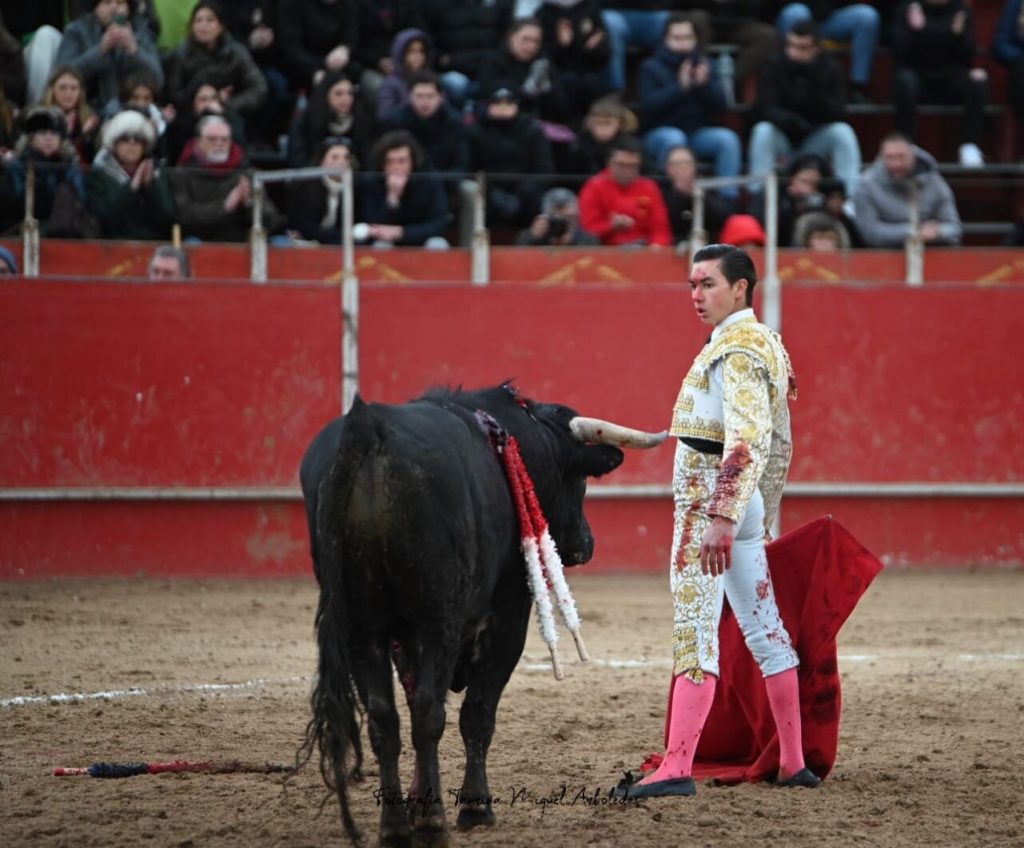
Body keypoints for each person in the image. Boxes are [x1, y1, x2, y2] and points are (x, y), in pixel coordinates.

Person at [613, 243, 819, 800]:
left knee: (695, 629)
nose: (696, 295)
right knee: (764, 626)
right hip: (736, 508)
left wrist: (723, 515)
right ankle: (793, 762)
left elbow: (748, 440)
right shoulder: (759, 341)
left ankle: (677, 766)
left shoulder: (740, 349)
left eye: (706, 284)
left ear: (740, 288)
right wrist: (755, 511)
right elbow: (774, 442)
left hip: (711, 506)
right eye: (691, 285)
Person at [747, 20, 861, 198]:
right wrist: (788, 120)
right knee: (763, 131)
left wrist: (812, 92)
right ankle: (759, 195)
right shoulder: (774, 65)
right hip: (783, 139)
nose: (794, 52)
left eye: (802, 47)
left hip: (814, 138)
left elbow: (838, 110)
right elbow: (763, 107)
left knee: (842, 132)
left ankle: (850, 199)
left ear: (816, 48)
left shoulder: (830, 68)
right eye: (791, 45)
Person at [638, 13, 741, 189]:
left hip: (697, 133)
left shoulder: (706, 64)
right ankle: (672, 193)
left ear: (696, 39)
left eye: (687, 37)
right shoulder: (651, 67)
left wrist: (705, 86)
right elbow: (649, 108)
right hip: (660, 132)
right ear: (665, 39)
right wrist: (680, 88)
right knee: (674, 138)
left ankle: (728, 197)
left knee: (727, 139)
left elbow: (722, 106)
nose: (682, 44)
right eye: (676, 38)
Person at [892, 0, 988, 167]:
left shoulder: (961, 10)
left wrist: (923, 30)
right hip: (918, 77)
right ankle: (907, 145)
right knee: (905, 81)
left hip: (951, 79)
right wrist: (950, 33)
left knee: (977, 80)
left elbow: (968, 51)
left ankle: (969, 145)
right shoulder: (908, 8)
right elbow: (901, 49)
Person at [173, 113, 284, 242]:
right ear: (198, 142)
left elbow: (271, 220)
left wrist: (249, 204)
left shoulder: (246, 173)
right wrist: (225, 206)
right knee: (192, 243)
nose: (219, 144)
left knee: (281, 243)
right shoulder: (183, 173)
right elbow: (184, 216)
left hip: (242, 243)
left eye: (224, 139)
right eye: (212, 139)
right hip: (202, 240)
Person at [163, 1, 268, 126]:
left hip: (228, 114)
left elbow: (259, 87)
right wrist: (204, 99)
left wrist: (227, 105)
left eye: (210, 20)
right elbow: (175, 94)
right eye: (198, 20)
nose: (203, 25)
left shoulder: (236, 53)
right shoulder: (180, 54)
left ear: (221, 26)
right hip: (189, 116)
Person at [852, 132, 962, 248]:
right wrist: (915, 232)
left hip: (932, 253)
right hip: (884, 255)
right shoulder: (866, 185)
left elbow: (954, 227)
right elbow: (870, 233)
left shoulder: (935, 182)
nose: (896, 163)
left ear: (913, 156)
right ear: (881, 157)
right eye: (890, 157)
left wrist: (938, 232)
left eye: (901, 156)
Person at [466, 86, 554, 228]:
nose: (503, 108)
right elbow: (468, 168)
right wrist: (491, 193)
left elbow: (544, 169)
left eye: (508, 104)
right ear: (488, 106)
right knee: (470, 192)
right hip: (488, 194)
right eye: (497, 104)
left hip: (525, 196)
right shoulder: (474, 131)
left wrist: (520, 196)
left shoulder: (532, 130)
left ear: (517, 106)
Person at [55, 0, 164, 111]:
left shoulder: (142, 33)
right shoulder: (77, 31)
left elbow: (158, 80)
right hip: (87, 111)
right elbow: (62, 76)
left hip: (133, 110)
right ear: (95, 8)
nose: (114, 7)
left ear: (128, 8)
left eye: (120, 2)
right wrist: (100, 50)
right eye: (107, 2)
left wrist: (134, 50)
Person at [86, 106, 174, 240]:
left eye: (138, 140)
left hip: (153, 244)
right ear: (114, 144)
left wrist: (150, 188)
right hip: (111, 245)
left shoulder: (157, 172)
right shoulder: (99, 174)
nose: (132, 144)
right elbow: (104, 217)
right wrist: (132, 188)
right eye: (125, 139)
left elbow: (168, 217)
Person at [355, 129, 449, 248]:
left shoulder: (428, 181)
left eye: (402, 161)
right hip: (386, 241)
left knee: (438, 244)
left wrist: (402, 232)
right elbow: (370, 222)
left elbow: (438, 224)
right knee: (381, 245)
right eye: (390, 162)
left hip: (419, 239)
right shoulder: (372, 182)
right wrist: (392, 198)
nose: (396, 167)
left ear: (412, 162)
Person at [578, 134, 672, 247]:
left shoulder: (649, 187)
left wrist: (657, 246)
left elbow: (660, 228)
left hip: (643, 251)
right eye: (621, 165)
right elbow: (587, 230)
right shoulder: (594, 187)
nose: (627, 171)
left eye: (632, 166)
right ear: (609, 163)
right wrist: (611, 226)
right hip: (605, 252)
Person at [774, 2, 880, 101]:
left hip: (829, 19)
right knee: (797, 11)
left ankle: (858, 87)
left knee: (867, 16)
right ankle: (793, 80)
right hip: (796, 16)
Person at [287, 69, 374, 169]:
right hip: (314, 179)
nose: (346, 98)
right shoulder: (304, 122)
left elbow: (367, 160)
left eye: (350, 93)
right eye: (338, 94)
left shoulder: (361, 120)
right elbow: (298, 161)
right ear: (325, 96)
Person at [660, 144, 732, 248]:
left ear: (695, 167)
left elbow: (724, 216)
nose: (682, 167)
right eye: (676, 164)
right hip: (672, 247)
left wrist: (698, 196)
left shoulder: (707, 187)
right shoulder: (661, 191)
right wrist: (679, 194)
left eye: (687, 163)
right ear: (667, 168)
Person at [288, 137, 354, 243]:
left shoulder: (354, 187)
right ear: (321, 161)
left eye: (346, 157)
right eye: (335, 157)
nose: (342, 162)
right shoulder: (308, 186)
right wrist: (344, 234)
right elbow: (308, 229)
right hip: (303, 241)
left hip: (335, 243)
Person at [40, 65, 101, 163]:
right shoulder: (38, 117)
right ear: (52, 90)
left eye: (74, 88)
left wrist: (87, 137)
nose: (68, 93)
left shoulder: (90, 119)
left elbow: (93, 158)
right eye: (62, 88)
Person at [376, 28, 434, 121]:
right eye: (411, 51)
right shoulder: (390, 84)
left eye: (421, 51)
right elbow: (385, 117)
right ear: (401, 54)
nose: (417, 56)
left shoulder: (432, 81)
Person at [515, 186, 600, 246]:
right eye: (556, 219)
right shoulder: (536, 236)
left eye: (569, 218)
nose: (562, 224)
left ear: (577, 216)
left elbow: (592, 264)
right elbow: (516, 260)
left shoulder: (589, 240)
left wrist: (571, 243)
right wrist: (532, 237)